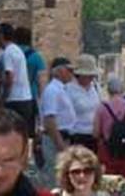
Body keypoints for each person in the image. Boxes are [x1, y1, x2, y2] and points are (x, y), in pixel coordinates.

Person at [39, 56, 78, 188]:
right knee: (54, 176)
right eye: (69, 70)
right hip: (55, 139)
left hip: (64, 137)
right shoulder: (52, 90)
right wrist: (60, 144)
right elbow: (49, 119)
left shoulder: (62, 89)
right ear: (59, 71)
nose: (72, 74)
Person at [95, 74, 125, 182]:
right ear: (122, 89)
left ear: (108, 90)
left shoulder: (102, 108)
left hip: (108, 151)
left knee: (110, 183)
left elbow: (96, 133)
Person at [0, 23, 35, 130]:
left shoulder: (8, 52)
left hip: (14, 100)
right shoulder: (17, 50)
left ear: (1, 35)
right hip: (25, 99)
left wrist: (3, 97)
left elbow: (10, 77)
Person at [14, 26, 46, 141]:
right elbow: (40, 80)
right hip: (31, 96)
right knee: (28, 129)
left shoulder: (11, 54)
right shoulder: (36, 57)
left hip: (13, 96)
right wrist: (42, 100)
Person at [65, 54, 102, 150]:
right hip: (77, 135)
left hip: (94, 135)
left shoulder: (95, 87)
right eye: (88, 76)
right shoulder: (69, 90)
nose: (91, 78)